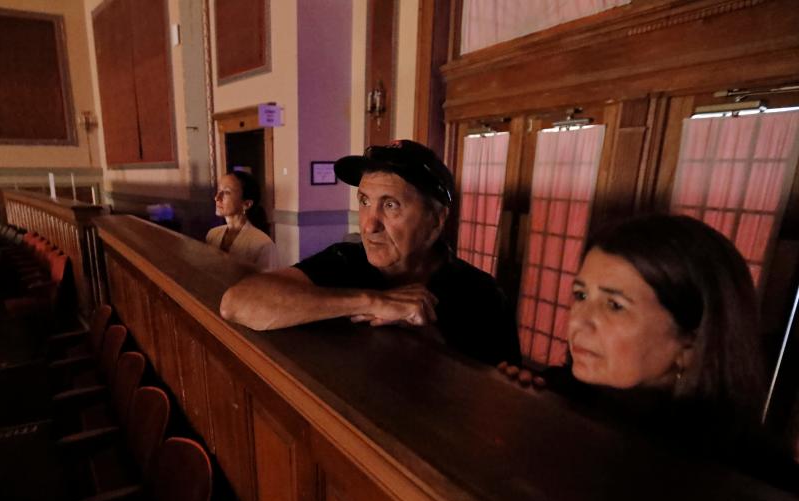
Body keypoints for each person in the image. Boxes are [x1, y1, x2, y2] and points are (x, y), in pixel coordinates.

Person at [220, 139, 520, 367]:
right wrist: (372, 302)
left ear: (436, 220)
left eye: (390, 205)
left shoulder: (483, 296)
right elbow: (237, 303)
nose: (369, 224)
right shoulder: (346, 260)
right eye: (364, 202)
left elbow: (504, 402)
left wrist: (433, 338)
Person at [545, 214, 767, 451]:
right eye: (581, 296)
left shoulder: (734, 470)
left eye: (615, 306)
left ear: (690, 345)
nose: (579, 321)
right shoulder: (565, 398)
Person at [206, 170, 278, 271]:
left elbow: (266, 284)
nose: (217, 198)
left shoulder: (263, 245)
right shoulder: (212, 235)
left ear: (247, 204)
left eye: (227, 192)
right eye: (219, 191)